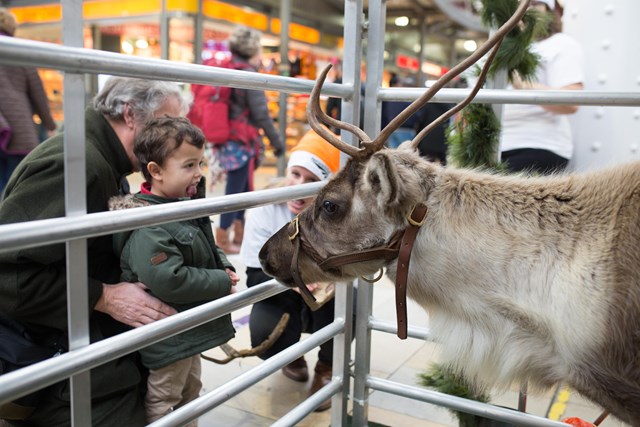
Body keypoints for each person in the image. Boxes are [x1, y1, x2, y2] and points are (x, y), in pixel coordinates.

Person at [0, 77, 188, 427]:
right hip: (44, 357)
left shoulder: (102, 160)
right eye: (166, 124)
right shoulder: (78, 165)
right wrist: (103, 297)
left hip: (65, 340)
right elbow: (8, 275)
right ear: (131, 114)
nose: (174, 139)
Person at [109, 117, 238, 426]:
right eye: (189, 165)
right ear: (155, 171)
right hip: (169, 334)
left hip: (188, 327)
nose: (198, 173)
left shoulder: (182, 205)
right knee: (164, 397)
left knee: (190, 390)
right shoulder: (149, 224)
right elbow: (169, 279)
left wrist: (225, 265)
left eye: (200, 164)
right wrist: (220, 281)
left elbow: (206, 240)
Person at [239, 129, 340, 412]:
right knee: (266, 338)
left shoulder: (334, 215)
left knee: (347, 304)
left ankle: (327, 367)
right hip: (283, 292)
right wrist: (293, 282)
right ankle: (290, 354)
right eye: (295, 175)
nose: (298, 187)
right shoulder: (265, 208)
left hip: (325, 298)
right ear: (287, 172)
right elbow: (253, 275)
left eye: (311, 182)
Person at [214, 25, 285, 254]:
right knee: (235, 193)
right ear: (253, 49)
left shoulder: (227, 69)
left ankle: (238, 238)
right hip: (241, 142)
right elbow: (261, 114)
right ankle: (223, 240)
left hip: (229, 140)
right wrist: (277, 143)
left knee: (242, 190)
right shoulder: (248, 74)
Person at [500, 0, 584, 174]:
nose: (525, 10)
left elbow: (571, 101)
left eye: (533, 4)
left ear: (548, 11)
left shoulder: (560, 44)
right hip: (494, 145)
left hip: (536, 145)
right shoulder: (501, 49)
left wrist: (526, 86)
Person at [0, 8, 56, 195]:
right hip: (20, 130)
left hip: (6, 127)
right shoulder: (19, 50)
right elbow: (37, 92)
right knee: (15, 188)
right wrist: (49, 123)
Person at [381, 74, 420, 149]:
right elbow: (416, 115)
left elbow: (384, 115)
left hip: (392, 129)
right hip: (406, 129)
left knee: (393, 153)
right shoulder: (406, 96)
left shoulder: (386, 96)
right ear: (396, 84)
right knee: (405, 153)